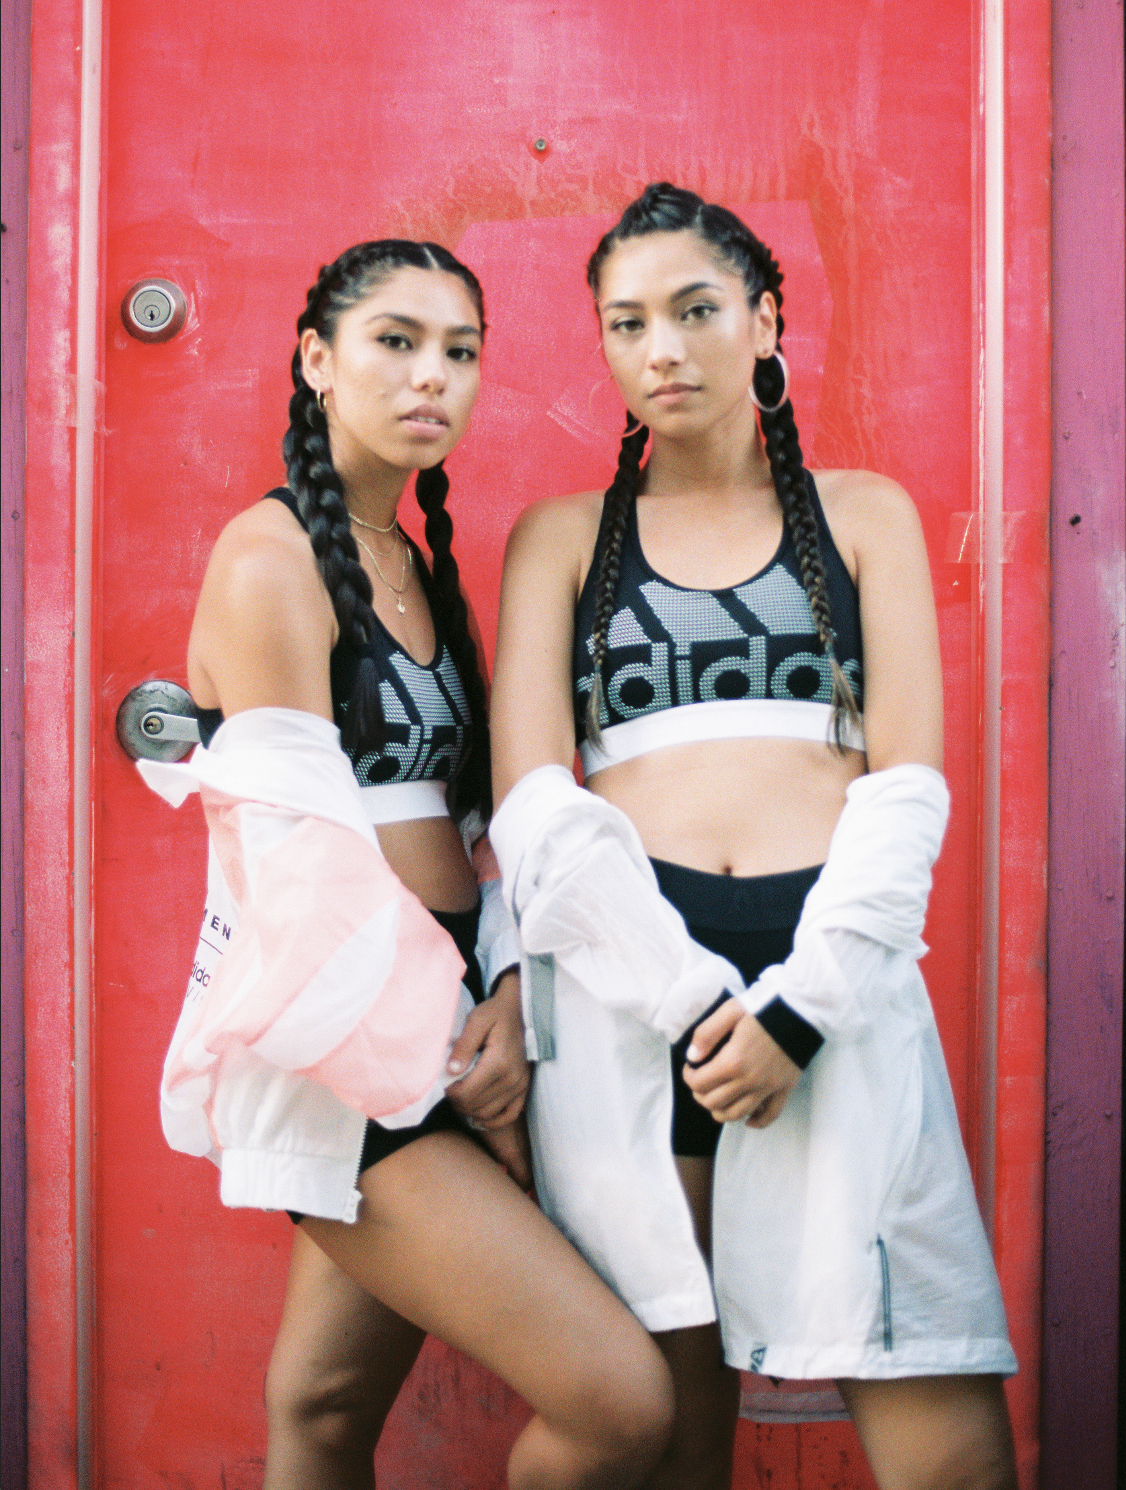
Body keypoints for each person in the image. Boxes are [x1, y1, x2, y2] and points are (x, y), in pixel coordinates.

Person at [489, 185, 1020, 1490]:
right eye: (628, 323)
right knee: (674, 1432)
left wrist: (800, 1011)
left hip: (833, 983)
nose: (661, 348)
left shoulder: (864, 514)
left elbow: (907, 792)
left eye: (695, 310)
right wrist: (689, 1005)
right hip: (633, 1005)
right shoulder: (563, 538)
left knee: (946, 1431)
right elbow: (535, 809)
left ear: (765, 319)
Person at [139, 239, 673, 1490]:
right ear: (316, 360)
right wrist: (464, 1060)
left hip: (451, 1029)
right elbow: (308, 882)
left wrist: (513, 988)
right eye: (395, 339)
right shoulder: (270, 560)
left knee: (323, 1404)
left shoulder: (415, 566)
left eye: (461, 350)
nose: (432, 373)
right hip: (352, 1046)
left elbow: (476, 830)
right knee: (621, 1403)